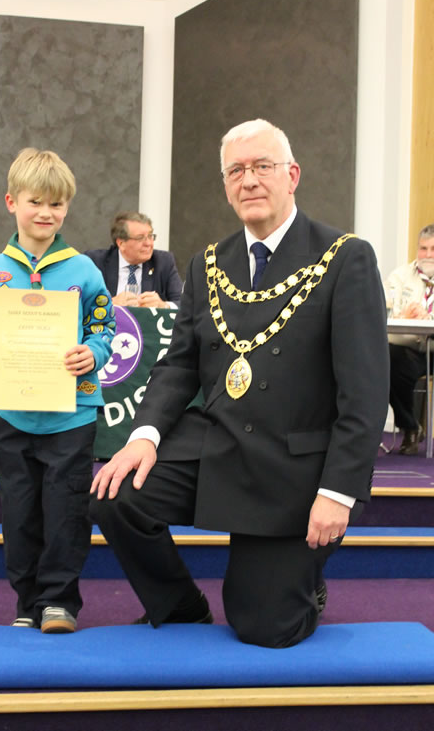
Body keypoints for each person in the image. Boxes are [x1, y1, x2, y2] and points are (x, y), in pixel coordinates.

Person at [90, 118, 389, 649]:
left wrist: (338, 492)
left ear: (292, 175)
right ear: (226, 186)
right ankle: (179, 607)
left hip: (296, 466)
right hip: (220, 440)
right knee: (117, 494)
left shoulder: (345, 257)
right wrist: (143, 437)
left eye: (262, 167)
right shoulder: (208, 263)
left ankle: (302, 582)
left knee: (265, 627)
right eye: (236, 171)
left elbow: (364, 392)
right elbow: (179, 365)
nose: (249, 180)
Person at [0, 148, 115, 634]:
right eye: (35, 202)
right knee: (20, 512)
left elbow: (104, 328)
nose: (46, 213)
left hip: (72, 414)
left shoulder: (85, 271)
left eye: (56, 204)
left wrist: (93, 353)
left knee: (67, 511)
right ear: (11, 202)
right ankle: (27, 601)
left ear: (67, 208)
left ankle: (59, 602)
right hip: (13, 412)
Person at [384, 224, 434, 455]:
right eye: (423, 248)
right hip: (410, 348)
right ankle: (410, 427)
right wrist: (402, 315)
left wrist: (428, 317)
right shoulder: (400, 276)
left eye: (433, 249)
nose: (428, 255)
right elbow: (385, 312)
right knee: (384, 360)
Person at [85, 211, 183, 308]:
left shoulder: (163, 262)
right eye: (140, 238)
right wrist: (110, 303)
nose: (148, 243)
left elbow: (183, 303)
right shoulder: (95, 261)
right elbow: (81, 302)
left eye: (150, 236)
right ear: (121, 243)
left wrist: (164, 305)